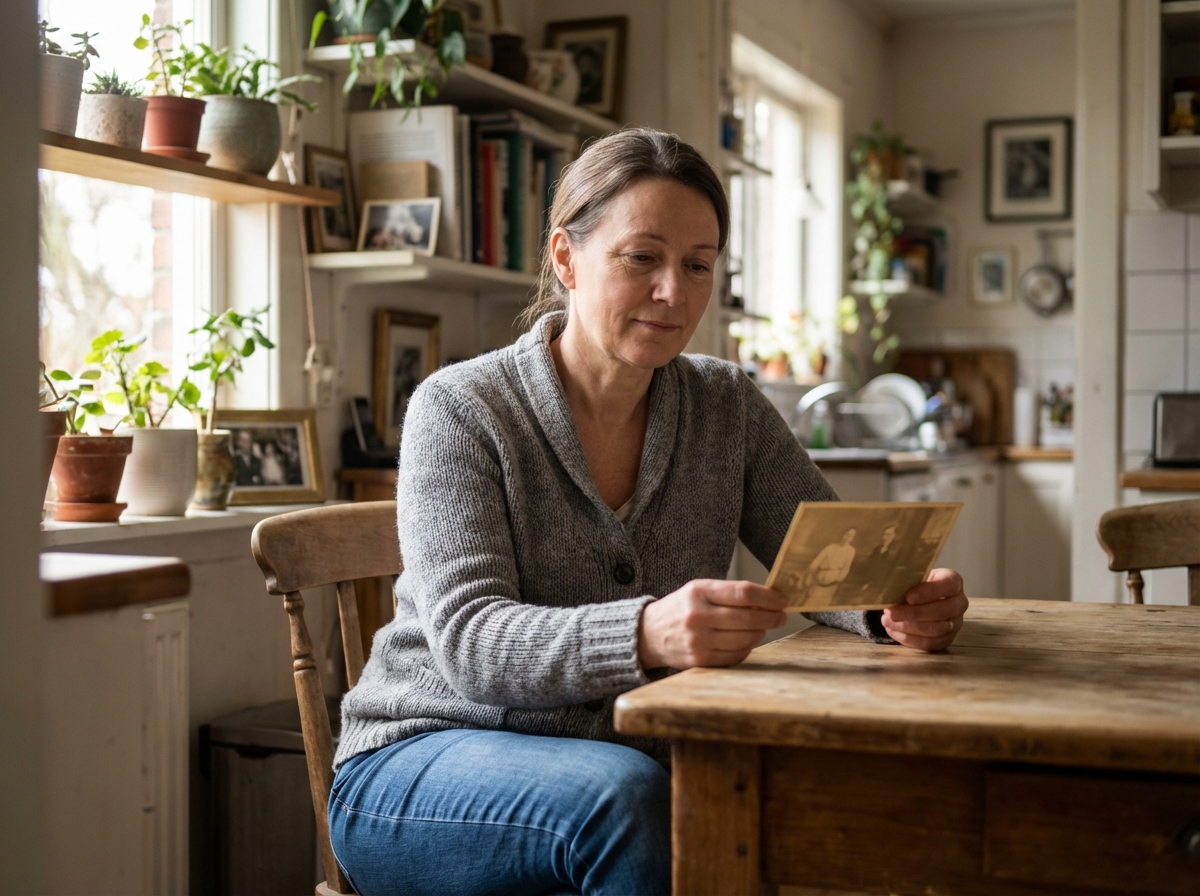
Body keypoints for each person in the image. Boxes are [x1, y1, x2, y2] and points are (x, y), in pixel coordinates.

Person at [329, 128, 969, 896]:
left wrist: (894, 601)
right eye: (643, 258)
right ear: (566, 258)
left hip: (635, 758)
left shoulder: (726, 403)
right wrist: (646, 632)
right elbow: (471, 643)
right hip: (424, 759)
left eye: (698, 266)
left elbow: (823, 555)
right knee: (628, 802)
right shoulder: (461, 409)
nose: (675, 290)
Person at [802, 527, 858, 607]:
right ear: (843, 534)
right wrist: (810, 574)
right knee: (809, 603)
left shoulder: (851, 550)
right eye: (847, 534)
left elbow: (846, 568)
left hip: (832, 581)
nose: (847, 538)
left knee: (823, 604)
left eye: (851, 536)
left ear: (852, 539)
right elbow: (817, 561)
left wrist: (837, 580)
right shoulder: (831, 547)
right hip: (819, 578)